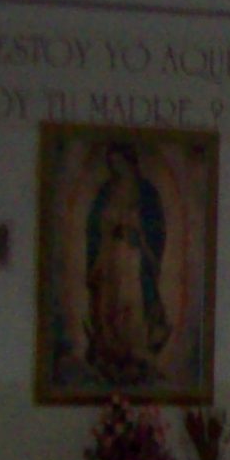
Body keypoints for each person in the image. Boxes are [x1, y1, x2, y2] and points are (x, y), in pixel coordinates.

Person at [84, 144, 170, 382]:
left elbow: (155, 228)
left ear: (130, 162)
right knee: (110, 304)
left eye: (120, 163)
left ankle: (136, 353)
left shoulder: (146, 192)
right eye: (112, 165)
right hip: (110, 257)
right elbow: (94, 227)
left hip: (134, 259)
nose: (116, 168)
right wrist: (107, 234)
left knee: (133, 305)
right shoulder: (106, 192)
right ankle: (111, 351)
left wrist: (138, 234)